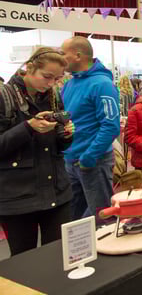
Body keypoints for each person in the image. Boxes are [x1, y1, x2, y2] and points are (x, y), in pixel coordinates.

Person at [0, 47, 75, 256]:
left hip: (57, 193)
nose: (51, 83)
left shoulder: (53, 96)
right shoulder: (4, 97)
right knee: (25, 261)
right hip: (17, 199)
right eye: (47, 77)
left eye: (57, 79)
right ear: (30, 68)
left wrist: (65, 135)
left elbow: (59, 146)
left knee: (60, 256)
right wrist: (28, 127)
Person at [61, 36, 120, 220]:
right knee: (73, 219)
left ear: (78, 56)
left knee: (102, 217)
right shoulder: (68, 84)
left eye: (63, 54)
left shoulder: (102, 84)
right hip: (71, 161)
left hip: (93, 161)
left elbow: (110, 126)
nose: (60, 58)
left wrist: (89, 156)